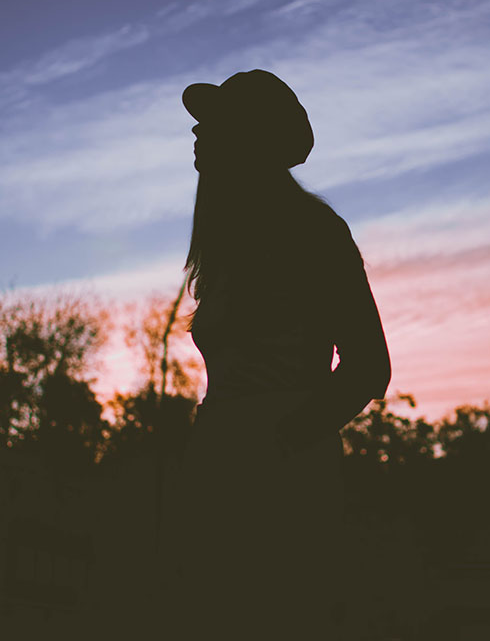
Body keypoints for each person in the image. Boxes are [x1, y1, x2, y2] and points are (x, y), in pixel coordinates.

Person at [162, 69, 391, 640]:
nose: (196, 134)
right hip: (218, 471)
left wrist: (281, 443)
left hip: (282, 483)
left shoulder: (315, 231)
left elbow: (368, 366)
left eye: (211, 125)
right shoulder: (228, 246)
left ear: (246, 139)